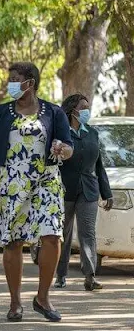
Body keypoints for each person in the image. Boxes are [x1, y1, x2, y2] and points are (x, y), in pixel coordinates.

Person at [0, 62, 73, 323]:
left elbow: (69, 147)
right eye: (11, 79)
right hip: (11, 183)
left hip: (46, 181)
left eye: (16, 79)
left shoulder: (53, 112)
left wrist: (62, 148)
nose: (11, 84)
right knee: (13, 241)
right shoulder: (0, 113)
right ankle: (15, 301)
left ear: (30, 82)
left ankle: (42, 298)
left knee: (53, 235)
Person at [56, 93, 113, 291]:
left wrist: (107, 193)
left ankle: (90, 276)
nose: (87, 111)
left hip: (89, 189)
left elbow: (99, 166)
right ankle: (60, 274)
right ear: (73, 111)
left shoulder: (93, 133)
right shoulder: (61, 133)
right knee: (63, 233)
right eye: (83, 107)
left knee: (87, 233)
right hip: (64, 190)